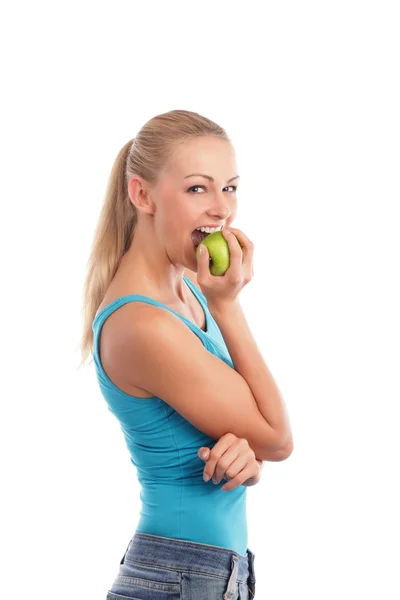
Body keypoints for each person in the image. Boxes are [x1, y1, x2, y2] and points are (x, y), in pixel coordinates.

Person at [79, 109, 293, 599]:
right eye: (198, 189)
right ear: (142, 195)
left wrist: (245, 455)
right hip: (179, 575)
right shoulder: (143, 324)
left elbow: (255, 432)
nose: (222, 209)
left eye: (230, 188)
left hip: (208, 572)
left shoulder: (190, 286)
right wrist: (229, 307)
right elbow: (279, 437)